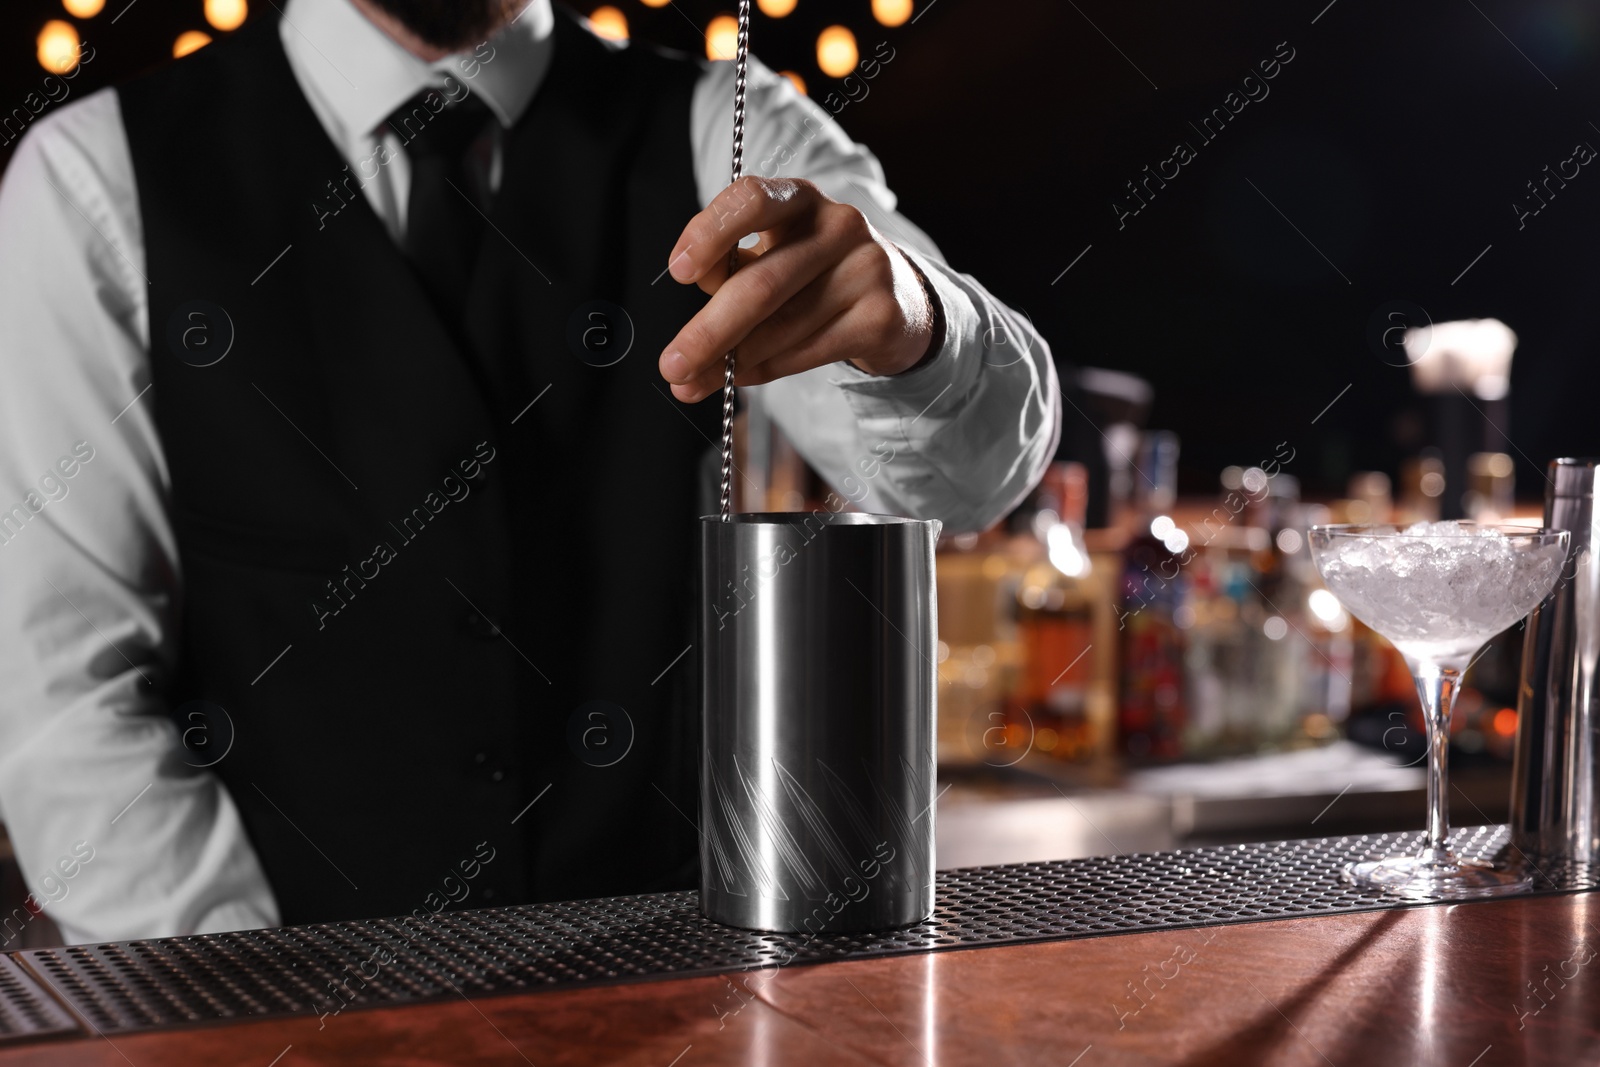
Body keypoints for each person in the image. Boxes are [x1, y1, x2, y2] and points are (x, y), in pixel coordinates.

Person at [0, 0, 1059, 942]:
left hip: (671, 993)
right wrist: (272, 1007)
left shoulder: (723, 126)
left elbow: (966, 483)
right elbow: (63, 704)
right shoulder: (95, 176)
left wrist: (927, 327)